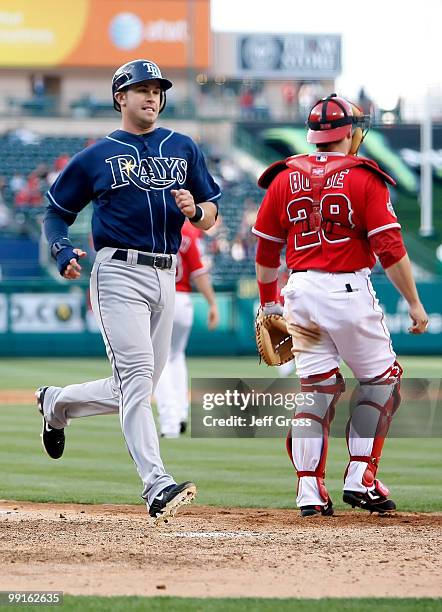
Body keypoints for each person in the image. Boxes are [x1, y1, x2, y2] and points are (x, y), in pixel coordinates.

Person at [37, 59, 221, 523]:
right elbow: (56, 212)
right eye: (141, 88)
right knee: (138, 381)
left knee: (135, 387)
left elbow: (212, 213)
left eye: (158, 89)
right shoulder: (96, 156)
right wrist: (62, 252)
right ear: (120, 97)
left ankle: (56, 403)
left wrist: (195, 210)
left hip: (167, 274)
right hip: (118, 272)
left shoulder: (183, 147)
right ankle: (156, 485)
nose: (152, 96)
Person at [253, 93, 428, 517]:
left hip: (299, 292)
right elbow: (389, 247)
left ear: (315, 136)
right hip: (346, 291)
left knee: (315, 390)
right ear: (349, 133)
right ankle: (360, 477)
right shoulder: (364, 175)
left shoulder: (283, 176)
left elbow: (265, 250)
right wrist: (415, 304)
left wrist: (269, 305)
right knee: (382, 381)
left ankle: (309, 491)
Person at [154, 220, 219, 437]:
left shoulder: (154, 224)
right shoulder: (189, 231)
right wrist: (211, 303)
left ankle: (170, 422)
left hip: (160, 297)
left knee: (158, 361)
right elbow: (198, 272)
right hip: (184, 301)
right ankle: (181, 413)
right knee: (176, 357)